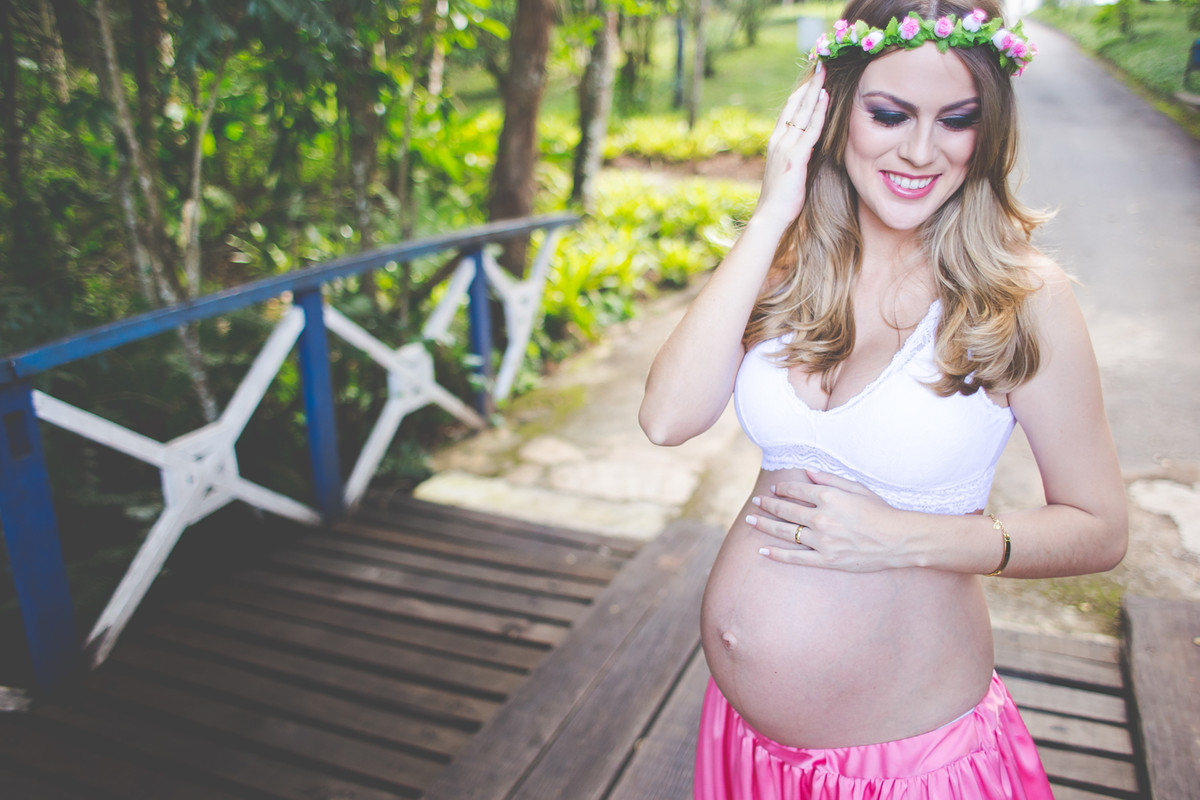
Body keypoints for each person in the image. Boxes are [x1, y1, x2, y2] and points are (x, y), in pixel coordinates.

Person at [638, 0, 1128, 796]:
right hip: (744, 746)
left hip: (906, 769)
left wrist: (911, 538)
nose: (920, 150)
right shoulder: (792, 265)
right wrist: (771, 213)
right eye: (890, 113)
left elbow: (1101, 530)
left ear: (990, 128)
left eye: (957, 119)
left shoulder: (1020, 295)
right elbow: (666, 418)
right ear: (829, 111)